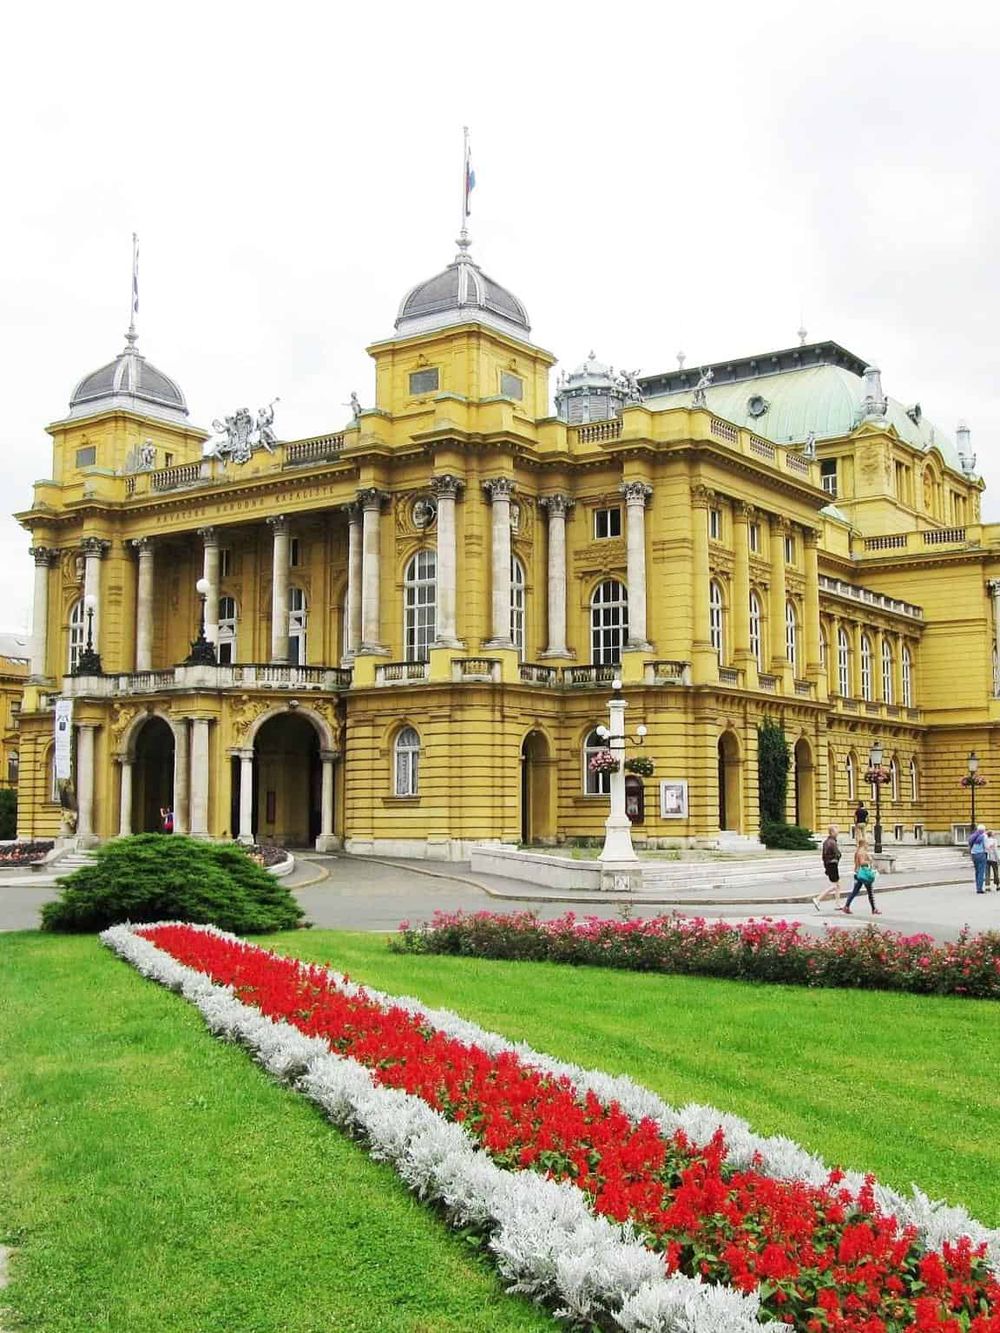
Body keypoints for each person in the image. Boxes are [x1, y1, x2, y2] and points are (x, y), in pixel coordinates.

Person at [839, 837, 881, 915]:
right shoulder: (862, 852)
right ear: (864, 844)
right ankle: (874, 909)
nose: (868, 845)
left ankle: (846, 906)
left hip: (857, 873)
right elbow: (862, 863)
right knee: (870, 892)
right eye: (867, 844)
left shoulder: (858, 851)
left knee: (855, 891)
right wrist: (869, 861)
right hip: (863, 874)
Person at [813, 824, 842, 912]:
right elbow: (838, 854)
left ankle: (838, 904)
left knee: (838, 884)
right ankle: (818, 899)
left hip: (829, 864)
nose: (838, 832)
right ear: (832, 832)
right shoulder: (832, 842)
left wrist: (826, 866)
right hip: (832, 864)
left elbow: (824, 856)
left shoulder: (827, 841)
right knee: (835, 885)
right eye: (836, 831)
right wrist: (837, 858)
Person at [969, 823, 988, 894]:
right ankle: (979, 889)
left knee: (977, 871)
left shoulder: (973, 836)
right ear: (983, 830)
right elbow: (986, 846)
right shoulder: (983, 836)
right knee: (981, 871)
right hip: (981, 854)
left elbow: (970, 845)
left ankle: (977, 886)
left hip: (973, 854)